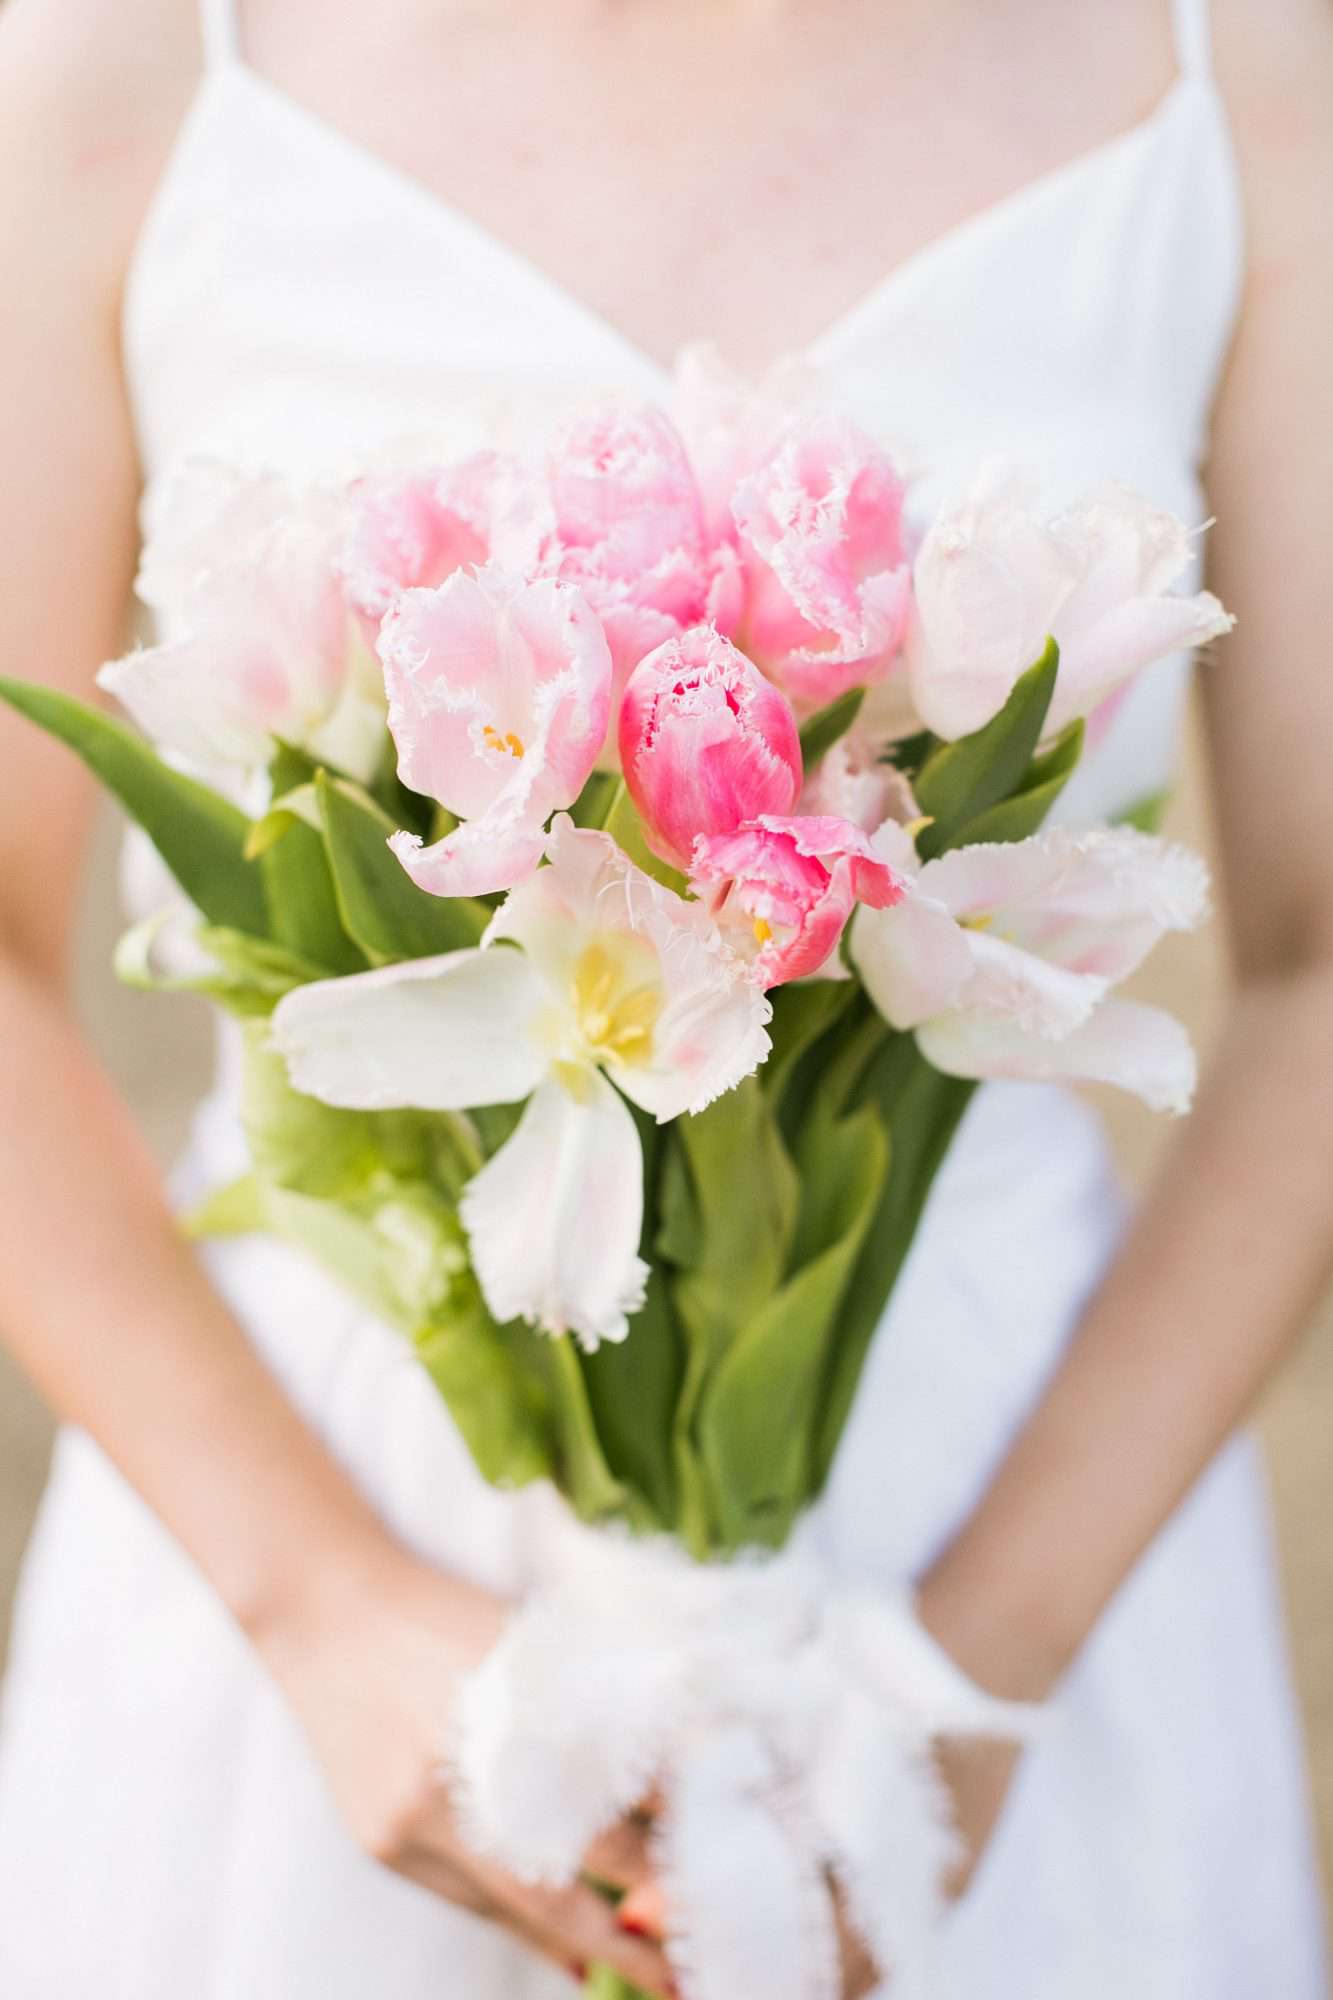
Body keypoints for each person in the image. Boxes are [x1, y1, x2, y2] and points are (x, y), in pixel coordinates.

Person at [0, 0, 1330, 1993]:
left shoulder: (1242, 72)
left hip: (1011, 1544)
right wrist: (320, 1606)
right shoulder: (119, 61)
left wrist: (982, 1659)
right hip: (319, 1550)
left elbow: (1319, 970)